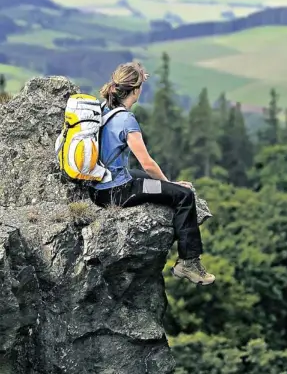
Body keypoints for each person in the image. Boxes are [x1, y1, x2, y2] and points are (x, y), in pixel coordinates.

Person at [89, 61, 215, 286]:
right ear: (136, 90)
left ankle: (188, 259)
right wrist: (171, 185)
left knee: (141, 177)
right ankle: (188, 262)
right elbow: (147, 162)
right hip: (118, 192)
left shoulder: (104, 108)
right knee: (184, 196)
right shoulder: (126, 119)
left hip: (100, 187)